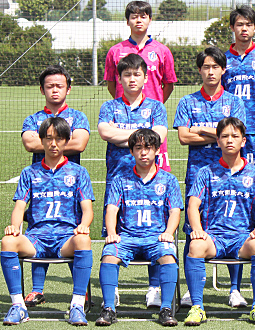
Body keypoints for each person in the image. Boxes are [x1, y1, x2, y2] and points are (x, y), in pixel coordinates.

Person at [1, 117, 94, 326]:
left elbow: (87, 209)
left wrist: (83, 226)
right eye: (49, 138)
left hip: (65, 238)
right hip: (36, 239)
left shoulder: (79, 172)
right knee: (7, 241)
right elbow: (19, 207)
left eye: (59, 139)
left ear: (66, 141)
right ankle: (18, 306)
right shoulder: (29, 172)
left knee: (83, 240)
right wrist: (14, 228)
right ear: (41, 141)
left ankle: (77, 305)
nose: (53, 144)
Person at [174, 46, 246, 307]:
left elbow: (236, 137)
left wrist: (202, 129)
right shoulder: (187, 101)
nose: (211, 71)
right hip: (197, 173)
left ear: (223, 70)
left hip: (229, 174)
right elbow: (183, 137)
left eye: (216, 67)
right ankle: (191, 290)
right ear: (200, 70)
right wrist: (219, 135)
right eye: (206, 67)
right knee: (193, 229)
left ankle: (235, 289)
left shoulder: (235, 102)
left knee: (232, 226)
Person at [183, 118, 255, 326]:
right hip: (214, 237)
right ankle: (197, 307)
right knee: (195, 245)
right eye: (224, 136)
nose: (229, 140)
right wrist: (197, 230)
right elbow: (193, 206)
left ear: (243, 141)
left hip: (242, 238)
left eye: (235, 136)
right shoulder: (206, 172)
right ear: (218, 141)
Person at [98, 53, 168, 307]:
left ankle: (154, 288)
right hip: (119, 179)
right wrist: (142, 136)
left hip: (150, 180)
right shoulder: (110, 107)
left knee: (155, 232)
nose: (131, 79)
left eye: (137, 74)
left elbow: (158, 134)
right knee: (113, 234)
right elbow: (105, 131)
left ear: (145, 77)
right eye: (126, 74)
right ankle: (111, 290)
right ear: (119, 78)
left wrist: (123, 135)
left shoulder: (156, 107)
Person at [96, 129, 182, 327]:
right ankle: (109, 308)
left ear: (157, 151)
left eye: (148, 148)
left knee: (168, 256)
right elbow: (111, 210)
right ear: (132, 152)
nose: (144, 152)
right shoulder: (120, 179)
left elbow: (175, 211)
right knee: (109, 254)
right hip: (127, 238)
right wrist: (111, 233)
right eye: (138, 148)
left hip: (156, 238)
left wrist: (168, 233)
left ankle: (166, 309)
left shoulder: (168, 180)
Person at [21, 65, 91, 307]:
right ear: (42, 89)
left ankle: (81, 292)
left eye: (59, 86)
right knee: (39, 230)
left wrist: (47, 142)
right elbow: (28, 144)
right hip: (41, 184)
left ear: (68, 89)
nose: (54, 90)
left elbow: (80, 143)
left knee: (72, 232)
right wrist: (62, 142)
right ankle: (37, 290)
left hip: (71, 186)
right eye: (49, 86)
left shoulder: (78, 117)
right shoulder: (32, 119)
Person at [222, 6, 255, 303]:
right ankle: (233, 288)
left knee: (254, 203)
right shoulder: (223, 59)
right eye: (239, 24)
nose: (244, 29)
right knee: (230, 205)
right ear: (232, 27)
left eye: (249, 25)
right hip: (230, 135)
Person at [103, 1, 176, 173]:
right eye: (133, 17)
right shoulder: (115, 51)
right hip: (122, 120)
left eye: (143, 16)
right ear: (127, 21)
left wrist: (153, 104)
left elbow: (169, 85)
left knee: (156, 173)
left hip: (152, 118)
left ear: (150, 19)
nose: (138, 21)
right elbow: (112, 84)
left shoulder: (162, 50)